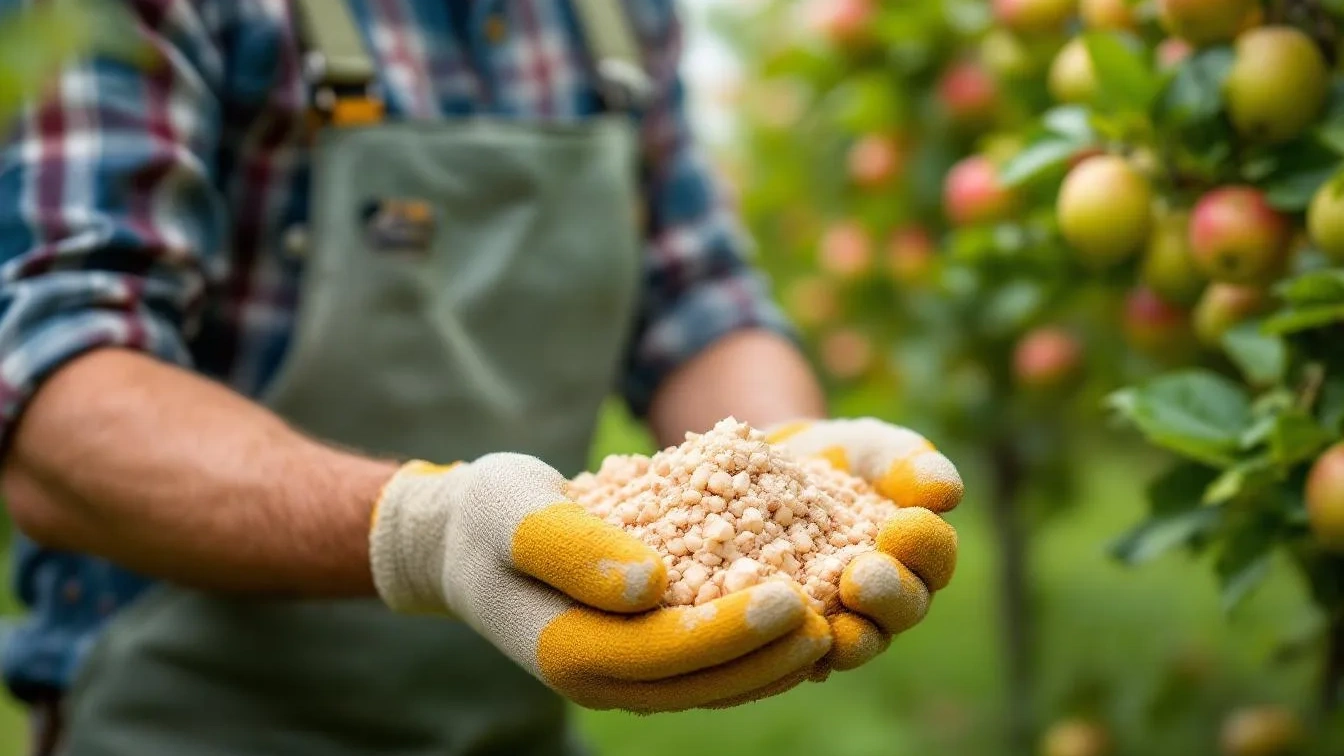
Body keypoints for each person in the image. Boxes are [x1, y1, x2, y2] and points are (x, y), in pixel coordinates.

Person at [0, 1, 964, 754]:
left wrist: (794, 470)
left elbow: (699, 299)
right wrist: (423, 532)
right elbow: (58, 389)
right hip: (183, 729)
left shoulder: (618, 17)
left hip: (507, 731)